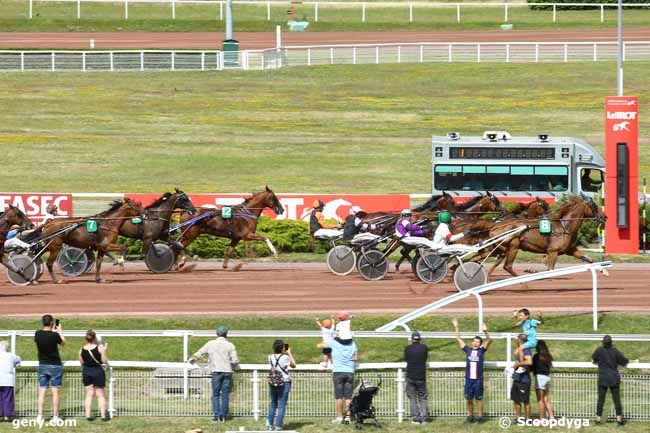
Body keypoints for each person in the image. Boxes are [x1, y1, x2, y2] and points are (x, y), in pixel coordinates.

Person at [187, 326, 240, 422]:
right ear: (226, 334)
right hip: (227, 372)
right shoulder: (230, 345)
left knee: (215, 395)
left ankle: (216, 416)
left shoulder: (210, 343)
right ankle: (223, 416)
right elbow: (235, 360)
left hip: (216, 371)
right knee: (225, 395)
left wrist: (192, 359)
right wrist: (236, 368)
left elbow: (200, 353)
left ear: (217, 334)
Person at [453, 319, 492, 423]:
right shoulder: (468, 350)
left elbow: (489, 340)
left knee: (479, 399)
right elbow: (458, 338)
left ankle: (480, 417)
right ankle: (470, 416)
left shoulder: (481, 351)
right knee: (469, 399)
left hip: (478, 380)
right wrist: (456, 326)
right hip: (469, 379)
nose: (475, 343)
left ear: (480, 344)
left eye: (477, 342)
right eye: (474, 341)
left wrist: (485, 331)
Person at [592, 335, 633, 425]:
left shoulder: (599, 350)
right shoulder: (615, 351)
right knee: (616, 399)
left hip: (603, 378)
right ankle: (619, 420)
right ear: (611, 342)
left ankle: (598, 419)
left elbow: (594, 358)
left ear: (603, 342)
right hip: (614, 378)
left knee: (601, 400)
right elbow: (624, 361)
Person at [317, 335, 358, 424]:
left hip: (338, 372)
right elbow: (355, 358)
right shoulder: (353, 344)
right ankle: (348, 417)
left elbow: (319, 345)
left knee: (339, 396)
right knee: (348, 397)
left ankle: (339, 417)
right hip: (350, 372)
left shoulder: (334, 343)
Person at [35, 314, 65, 424]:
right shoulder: (54, 335)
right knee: (55, 392)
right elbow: (63, 342)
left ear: (43, 322)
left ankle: (39, 416)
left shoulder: (37, 334)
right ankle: (55, 417)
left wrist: (52, 331)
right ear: (52, 323)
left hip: (42, 365)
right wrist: (59, 331)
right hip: (55, 365)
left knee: (42, 391)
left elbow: (44, 337)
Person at [79, 330, 109, 422]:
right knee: (100, 395)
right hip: (97, 372)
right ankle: (103, 416)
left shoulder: (81, 349)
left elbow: (82, 362)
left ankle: (88, 415)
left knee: (89, 395)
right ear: (95, 338)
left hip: (87, 372)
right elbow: (104, 361)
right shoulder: (99, 348)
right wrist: (104, 351)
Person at [266, 339, 296, 431]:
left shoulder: (270, 357)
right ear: (282, 348)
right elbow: (294, 365)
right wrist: (289, 353)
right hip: (284, 382)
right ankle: (278, 426)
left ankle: (270, 424)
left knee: (273, 403)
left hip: (273, 382)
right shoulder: (285, 357)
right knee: (282, 405)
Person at [404, 331, 428, 425]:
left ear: (412, 339)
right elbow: (425, 358)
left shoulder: (408, 348)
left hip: (410, 376)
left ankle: (416, 418)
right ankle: (424, 418)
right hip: (421, 376)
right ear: (419, 339)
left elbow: (406, 359)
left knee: (412, 397)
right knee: (423, 397)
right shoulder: (424, 348)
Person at [511, 334, 533, 420]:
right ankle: (518, 418)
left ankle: (528, 420)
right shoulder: (520, 349)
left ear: (520, 340)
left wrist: (518, 364)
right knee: (516, 399)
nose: (516, 340)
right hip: (517, 378)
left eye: (517, 339)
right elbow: (517, 355)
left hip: (524, 380)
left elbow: (529, 362)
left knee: (525, 401)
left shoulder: (527, 350)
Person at [532, 340, 554, 420]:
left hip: (539, 378)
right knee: (546, 399)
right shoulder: (548, 356)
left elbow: (532, 367)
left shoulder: (536, 356)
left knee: (540, 400)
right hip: (547, 377)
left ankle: (542, 418)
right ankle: (552, 417)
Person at [0, 341, 21, 422]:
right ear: (7, 348)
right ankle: (9, 415)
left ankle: (0, 415)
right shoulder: (11, 355)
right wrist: (16, 365)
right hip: (8, 380)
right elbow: (18, 360)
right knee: (8, 398)